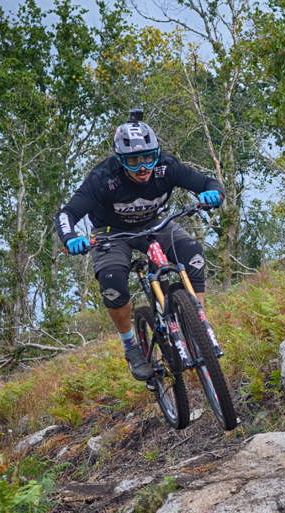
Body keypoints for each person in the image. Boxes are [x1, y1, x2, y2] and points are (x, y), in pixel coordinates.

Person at [57, 110, 224, 380]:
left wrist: (214, 193)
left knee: (193, 253)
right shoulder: (103, 178)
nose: (143, 167)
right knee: (112, 283)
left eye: (148, 158)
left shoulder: (167, 167)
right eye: (133, 162)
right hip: (111, 233)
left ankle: (198, 326)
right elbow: (67, 214)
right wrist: (70, 239)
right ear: (120, 160)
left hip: (154, 223)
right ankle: (131, 348)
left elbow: (207, 182)